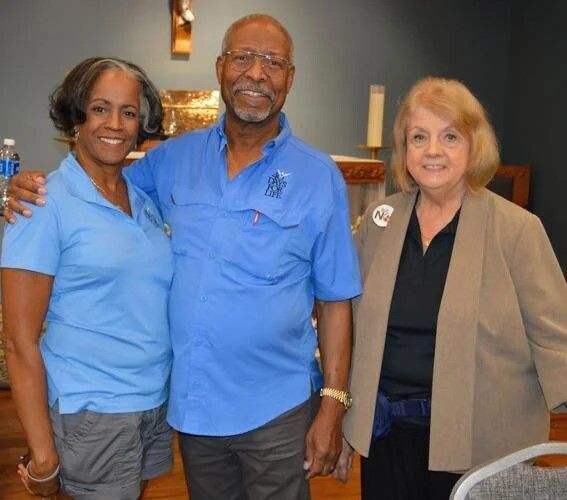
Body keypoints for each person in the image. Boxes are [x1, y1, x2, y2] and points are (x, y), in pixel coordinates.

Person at [5, 15, 362, 500]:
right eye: (242, 57)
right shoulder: (173, 161)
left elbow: (336, 298)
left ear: (289, 78)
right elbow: (98, 185)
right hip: (193, 408)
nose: (256, 74)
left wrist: (333, 405)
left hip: (276, 409)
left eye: (273, 62)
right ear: (220, 68)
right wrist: (25, 187)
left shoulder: (319, 178)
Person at [332, 76, 567, 499]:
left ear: (474, 146)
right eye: (419, 137)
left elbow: (556, 340)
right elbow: (350, 326)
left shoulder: (517, 230)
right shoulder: (381, 220)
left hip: (481, 447)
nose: (433, 151)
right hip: (385, 436)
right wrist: (345, 418)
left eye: (450, 136)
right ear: (404, 150)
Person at [1, 57, 174, 499]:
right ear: (76, 116)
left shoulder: (141, 198)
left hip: (151, 401)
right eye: (100, 108)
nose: (114, 124)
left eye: (129, 112)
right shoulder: (43, 203)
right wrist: (43, 457)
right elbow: (18, 342)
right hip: (92, 411)